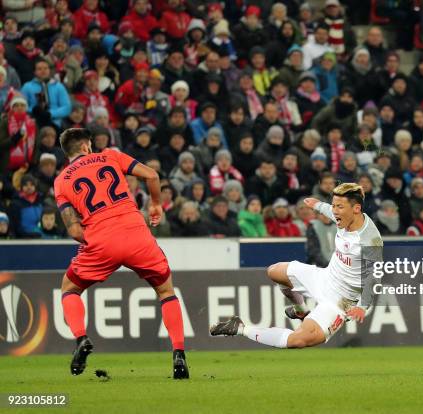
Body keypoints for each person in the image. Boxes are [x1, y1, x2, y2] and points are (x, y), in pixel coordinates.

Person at [53, 128, 188, 378]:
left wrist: (95, 241)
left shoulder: (61, 181)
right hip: (137, 233)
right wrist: (156, 204)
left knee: (69, 289)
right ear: (85, 146)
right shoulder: (110, 157)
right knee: (166, 291)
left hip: (101, 239)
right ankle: (179, 355)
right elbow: (151, 175)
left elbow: (73, 229)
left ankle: (81, 338)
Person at [210, 183, 383, 349]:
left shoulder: (370, 240)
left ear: (356, 209)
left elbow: (374, 277)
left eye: (339, 207)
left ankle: (240, 328)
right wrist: (316, 204)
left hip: (340, 301)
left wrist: (362, 306)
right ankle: (301, 310)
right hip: (324, 277)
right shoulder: (344, 217)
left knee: (297, 340)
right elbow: (328, 210)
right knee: (274, 272)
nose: (334, 211)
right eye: (333, 205)